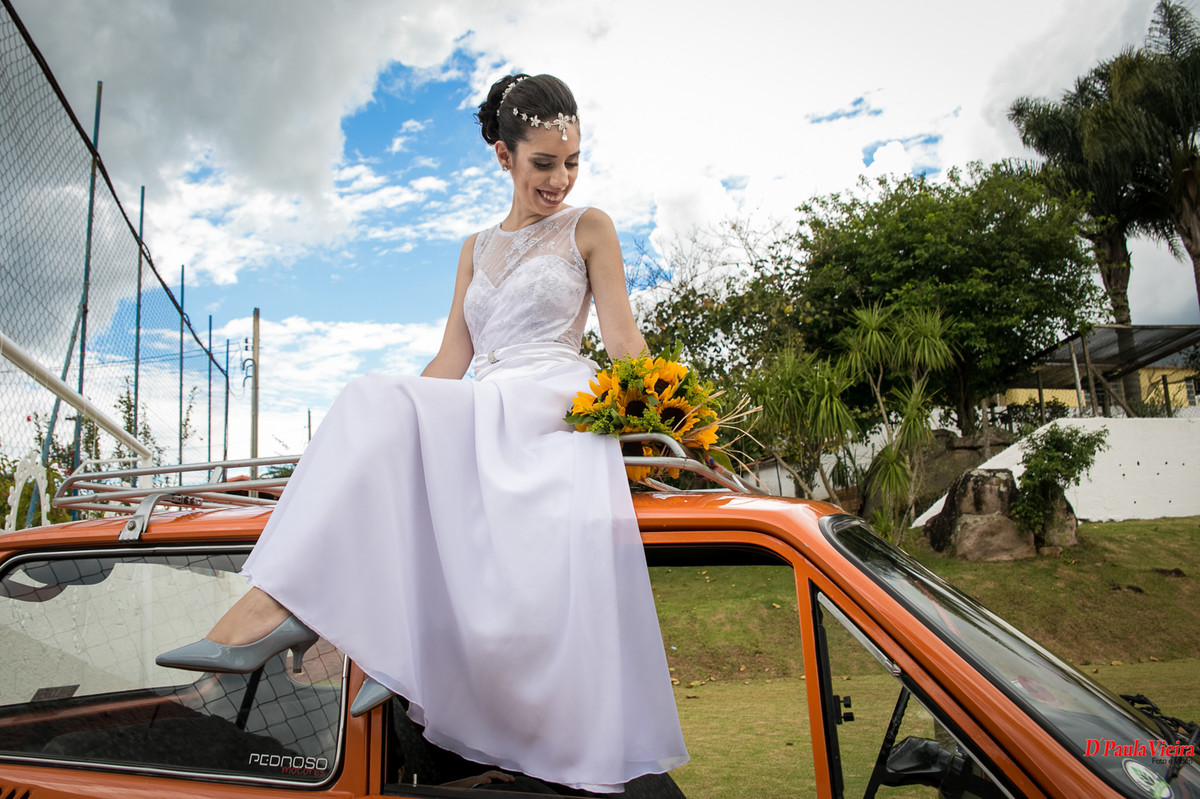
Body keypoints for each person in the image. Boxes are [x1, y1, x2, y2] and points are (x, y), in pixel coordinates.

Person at [156, 73, 689, 793]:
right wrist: (391, 426)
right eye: (542, 163)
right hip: (486, 397)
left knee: (376, 405)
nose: (560, 179)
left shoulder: (589, 226)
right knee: (371, 401)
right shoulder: (474, 248)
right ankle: (319, 620)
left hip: (554, 400)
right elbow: (451, 361)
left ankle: (273, 610)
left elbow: (623, 339)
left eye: (572, 161)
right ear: (503, 155)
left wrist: (671, 408)